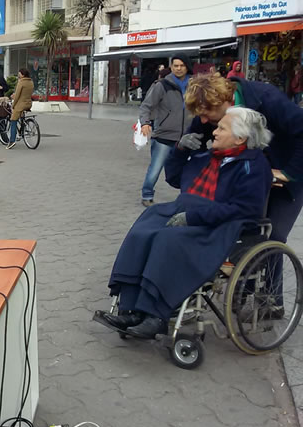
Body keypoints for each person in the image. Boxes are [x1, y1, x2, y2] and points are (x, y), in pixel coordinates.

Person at [99, 106, 273, 339]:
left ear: (240, 138)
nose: (214, 132)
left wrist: (193, 217)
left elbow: (245, 209)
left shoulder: (253, 165)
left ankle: (155, 316)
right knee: (143, 230)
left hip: (217, 226)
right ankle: (130, 309)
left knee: (167, 240)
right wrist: (180, 150)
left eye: (222, 128)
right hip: (189, 210)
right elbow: (174, 178)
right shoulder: (211, 157)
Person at [184, 71, 303, 273]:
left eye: (205, 114)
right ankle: (242, 285)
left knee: (272, 238)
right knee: (240, 232)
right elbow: (194, 149)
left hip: (286, 173)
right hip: (245, 178)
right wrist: (183, 147)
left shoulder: (266, 98)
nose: (203, 121)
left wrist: (288, 173)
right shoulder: (208, 112)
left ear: (224, 102)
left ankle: (272, 292)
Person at [137, 54, 191, 206]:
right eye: (175, 66)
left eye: (182, 65)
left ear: (187, 67)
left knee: (189, 169)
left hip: (187, 136)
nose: (178, 68)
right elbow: (146, 106)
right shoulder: (162, 85)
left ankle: (187, 197)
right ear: (171, 67)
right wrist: (145, 123)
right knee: (155, 168)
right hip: (164, 135)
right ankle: (147, 195)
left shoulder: (194, 85)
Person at [6, 68, 34, 149]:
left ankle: (12, 141)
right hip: (28, 103)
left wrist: (13, 105)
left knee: (13, 120)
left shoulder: (21, 82)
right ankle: (22, 128)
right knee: (21, 116)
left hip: (21, 104)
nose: (18, 75)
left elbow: (17, 95)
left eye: (19, 74)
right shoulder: (31, 82)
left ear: (22, 74)